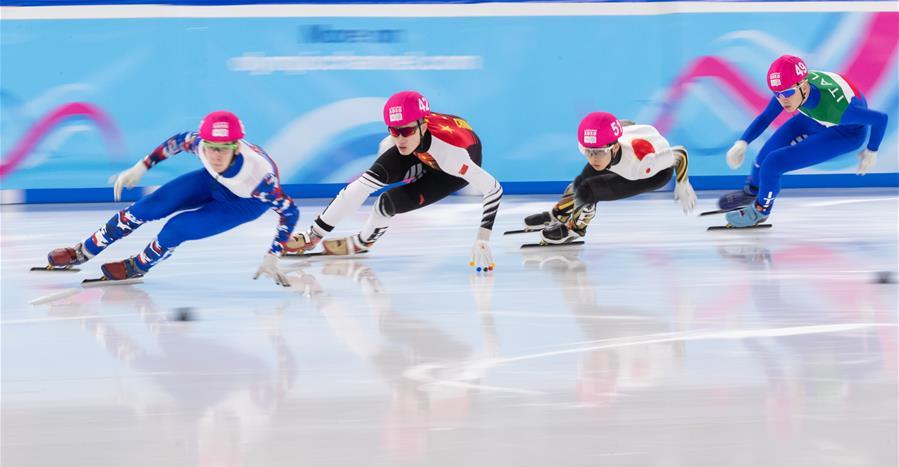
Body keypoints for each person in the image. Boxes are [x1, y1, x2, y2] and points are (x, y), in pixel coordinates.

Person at [46, 110, 296, 285]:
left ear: (236, 147)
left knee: (176, 228)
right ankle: (84, 250)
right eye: (210, 148)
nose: (215, 156)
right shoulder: (200, 145)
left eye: (223, 149)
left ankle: (139, 265)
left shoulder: (259, 177)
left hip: (243, 203)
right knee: (146, 208)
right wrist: (141, 167)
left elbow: (290, 211)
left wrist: (274, 254)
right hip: (211, 182)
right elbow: (176, 141)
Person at [285, 90, 503, 271]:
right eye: (393, 130)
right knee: (364, 185)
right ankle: (312, 236)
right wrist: (314, 235)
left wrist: (482, 237)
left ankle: (362, 241)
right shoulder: (393, 143)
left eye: (406, 130)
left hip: (448, 172)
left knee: (386, 204)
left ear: (423, 126)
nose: (400, 138)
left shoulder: (451, 155)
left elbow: (493, 189)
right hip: (421, 153)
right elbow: (356, 191)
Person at [719, 54, 888, 228]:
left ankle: (761, 211)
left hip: (844, 133)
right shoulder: (790, 86)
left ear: (804, 86)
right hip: (814, 117)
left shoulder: (837, 109)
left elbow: (880, 119)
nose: (782, 100)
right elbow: (766, 116)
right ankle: (752, 192)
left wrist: (872, 150)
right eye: (776, 94)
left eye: (787, 93)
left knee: (773, 163)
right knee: (762, 158)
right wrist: (743, 142)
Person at [522, 112, 695, 244]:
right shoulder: (603, 146)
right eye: (587, 151)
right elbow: (614, 130)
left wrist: (682, 182)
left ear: (614, 147)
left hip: (654, 174)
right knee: (579, 182)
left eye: (598, 152)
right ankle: (557, 215)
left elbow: (680, 153)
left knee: (588, 191)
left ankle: (575, 229)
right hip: (627, 147)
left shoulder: (641, 161)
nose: (593, 158)